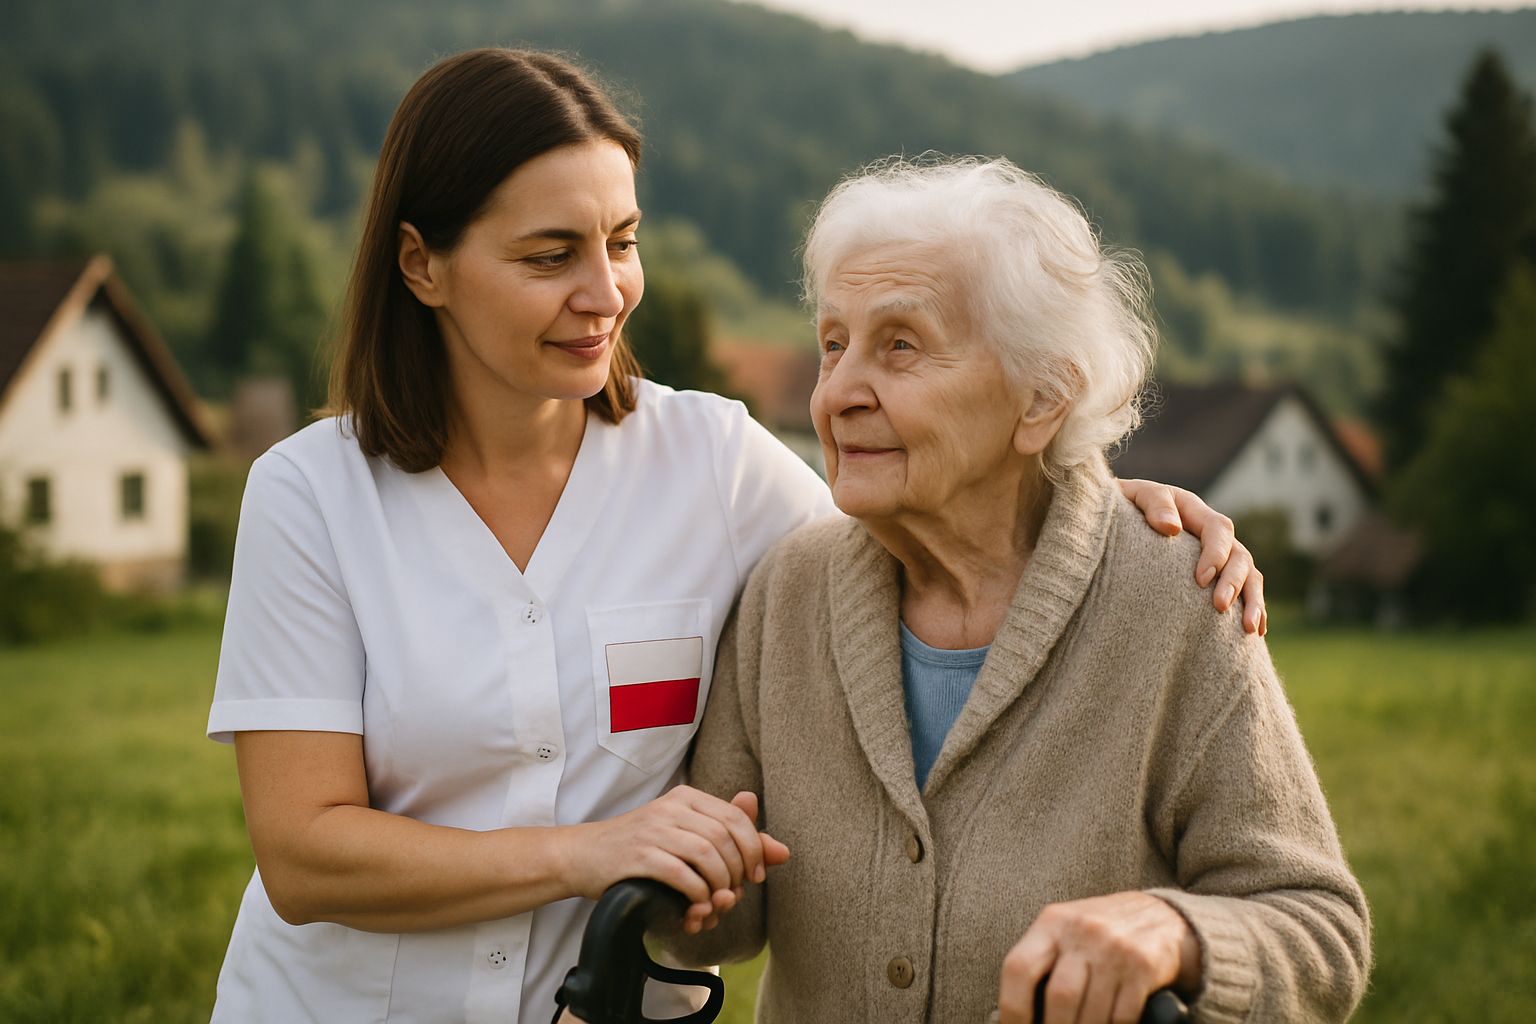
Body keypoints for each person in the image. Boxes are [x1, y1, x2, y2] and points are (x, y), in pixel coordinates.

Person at [205, 50, 1266, 1024]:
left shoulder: (712, 461)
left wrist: (1101, 492)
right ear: (421, 265)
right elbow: (306, 855)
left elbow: (932, 513)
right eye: (548, 255)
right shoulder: (310, 496)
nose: (604, 292)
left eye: (622, 242)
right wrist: (592, 854)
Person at [667, 157, 1368, 1024]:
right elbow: (713, 935)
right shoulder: (785, 592)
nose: (839, 392)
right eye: (834, 343)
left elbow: (1321, 936)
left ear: (1041, 398)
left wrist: (1173, 932)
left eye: (901, 345)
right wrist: (689, 882)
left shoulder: (1179, 598)